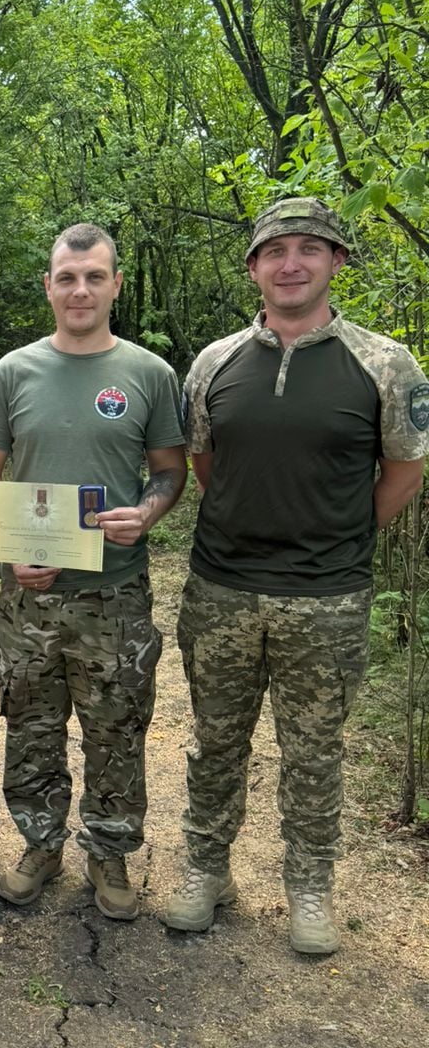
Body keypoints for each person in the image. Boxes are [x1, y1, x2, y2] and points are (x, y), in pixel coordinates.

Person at [165, 197, 429, 955]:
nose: (292, 264)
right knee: (216, 740)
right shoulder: (214, 363)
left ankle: (309, 887)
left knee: (314, 750)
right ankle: (205, 870)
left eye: (311, 249)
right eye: (276, 251)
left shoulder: (383, 363)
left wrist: (338, 538)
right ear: (253, 268)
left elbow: (405, 469)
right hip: (221, 589)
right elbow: (206, 465)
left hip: (328, 597)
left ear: (336, 261)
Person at [0, 224, 186, 919]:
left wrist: (148, 512)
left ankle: (111, 850)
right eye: (68, 277)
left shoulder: (148, 374)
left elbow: (170, 472)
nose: (81, 289)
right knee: (30, 726)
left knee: (116, 727)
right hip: (28, 597)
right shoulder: (14, 372)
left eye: (95, 276)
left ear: (116, 283)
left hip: (114, 591)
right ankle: (39, 843)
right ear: (49, 287)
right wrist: (5, 548)